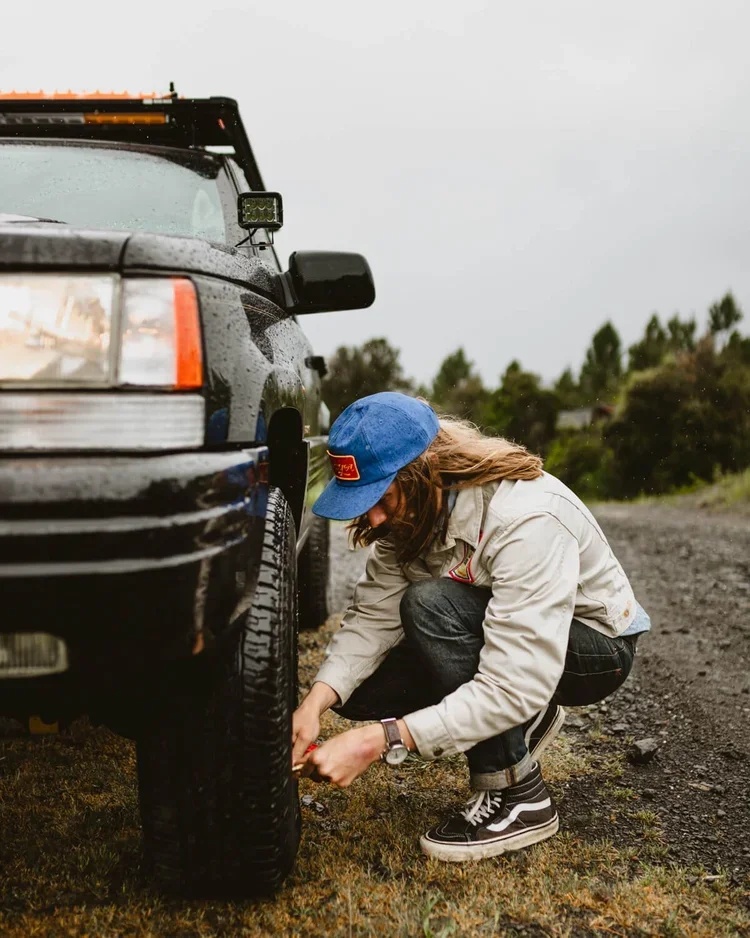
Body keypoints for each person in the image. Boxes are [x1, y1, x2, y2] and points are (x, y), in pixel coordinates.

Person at [292, 392, 650, 861]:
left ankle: (519, 796)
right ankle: (522, 726)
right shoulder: (411, 517)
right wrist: (314, 703)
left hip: (594, 647)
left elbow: (515, 681)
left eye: (381, 497)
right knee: (357, 689)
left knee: (430, 605)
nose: (372, 518)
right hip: (514, 639)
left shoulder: (527, 517)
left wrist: (381, 740)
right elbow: (372, 618)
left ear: (420, 475)